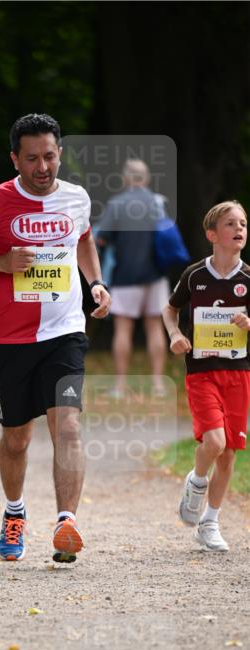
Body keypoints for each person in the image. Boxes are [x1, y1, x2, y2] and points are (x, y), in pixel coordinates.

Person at [0, 112, 111, 564]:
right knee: (16, 439)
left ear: (60, 154)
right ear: (14, 159)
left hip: (65, 332)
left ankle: (66, 523)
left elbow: (84, 240)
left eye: (50, 156)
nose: (42, 167)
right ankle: (14, 512)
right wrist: (1, 264)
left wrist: (96, 283)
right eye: (32, 159)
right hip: (11, 339)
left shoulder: (77, 198)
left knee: (68, 426)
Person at [162, 200, 249, 552]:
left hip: (238, 373)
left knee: (228, 454)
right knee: (214, 443)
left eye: (243, 223)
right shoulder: (195, 275)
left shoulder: (248, 278)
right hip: (201, 371)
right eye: (231, 223)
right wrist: (175, 335)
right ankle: (197, 482)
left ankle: (209, 523)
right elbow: (170, 309)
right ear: (212, 234)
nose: (239, 228)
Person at [96, 159, 170, 397]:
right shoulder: (158, 203)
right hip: (156, 275)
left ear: (126, 179)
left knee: (123, 329)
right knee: (155, 327)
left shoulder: (116, 204)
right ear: (146, 178)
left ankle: (120, 386)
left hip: (125, 275)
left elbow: (101, 239)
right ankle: (158, 385)